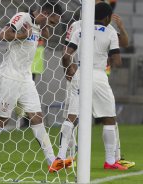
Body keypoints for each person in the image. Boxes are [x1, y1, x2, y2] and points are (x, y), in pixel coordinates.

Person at [0, 2, 66, 173]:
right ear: (45, 13)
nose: (53, 26)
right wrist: (22, 36)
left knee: (37, 117)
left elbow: (44, 36)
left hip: (25, 78)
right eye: (53, 21)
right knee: (2, 119)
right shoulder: (23, 17)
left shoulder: (39, 26)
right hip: (9, 76)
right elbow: (1, 35)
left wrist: (44, 27)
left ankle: (52, 161)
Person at [54, 2, 128, 171]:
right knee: (109, 118)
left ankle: (60, 157)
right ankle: (110, 161)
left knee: (71, 117)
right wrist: (108, 57)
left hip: (80, 74)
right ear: (108, 18)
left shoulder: (80, 30)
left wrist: (69, 71)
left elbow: (66, 56)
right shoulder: (110, 32)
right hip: (98, 76)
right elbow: (117, 60)